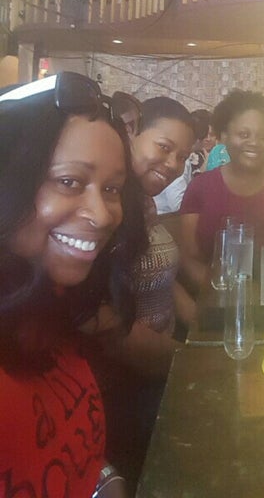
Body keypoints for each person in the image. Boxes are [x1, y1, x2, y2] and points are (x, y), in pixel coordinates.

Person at [0, 72, 147, 497]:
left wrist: (104, 479)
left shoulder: (52, 306)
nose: (101, 215)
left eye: (112, 189)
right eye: (69, 182)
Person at [96, 95, 197, 490]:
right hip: (125, 388)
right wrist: (191, 361)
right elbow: (111, 332)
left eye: (182, 157)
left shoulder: (142, 203)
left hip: (160, 364)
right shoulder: (109, 210)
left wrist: (201, 323)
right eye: (164, 147)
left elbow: (163, 277)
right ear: (132, 133)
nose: (172, 164)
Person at [178, 89, 264, 293]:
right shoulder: (201, 188)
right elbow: (189, 259)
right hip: (219, 298)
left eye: (263, 136)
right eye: (244, 135)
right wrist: (228, 297)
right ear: (223, 137)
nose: (254, 143)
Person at [153, 108, 215, 215]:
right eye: (208, 134)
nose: (209, 139)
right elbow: (178, 205)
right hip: (165, 219)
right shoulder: (179, 159)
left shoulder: (188, 156)